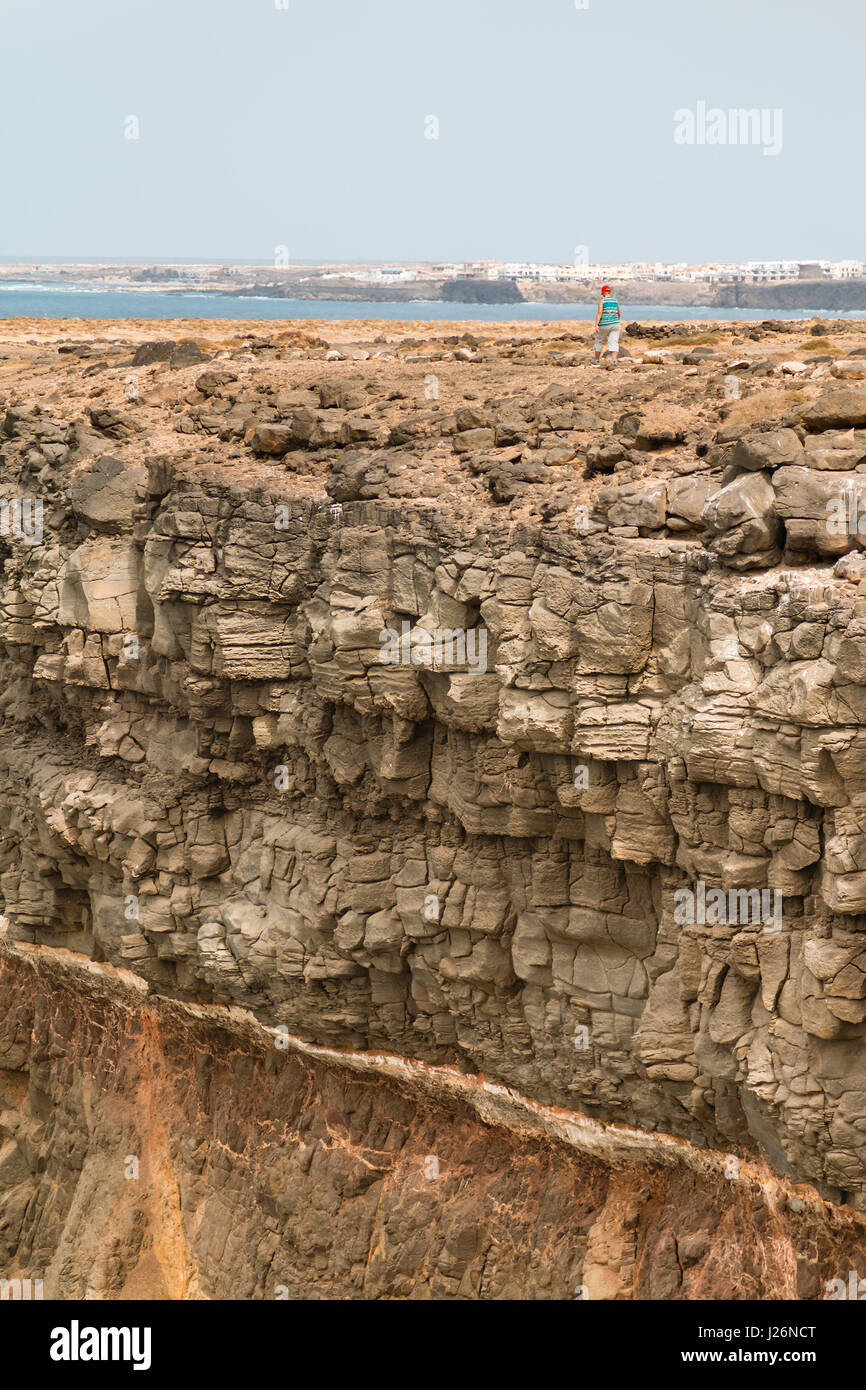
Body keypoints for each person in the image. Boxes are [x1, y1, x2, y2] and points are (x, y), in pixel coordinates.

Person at [593, 284, 621, 365]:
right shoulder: (615, 300)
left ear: (603, 292)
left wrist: (596, 324)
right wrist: (616, 320)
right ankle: (614, 360)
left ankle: (597, 359)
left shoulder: (602, 301)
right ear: (609, 292)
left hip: (604, 324)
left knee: (599, 340)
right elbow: (618, 313)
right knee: (614, 342)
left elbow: (599, 313)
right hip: (615, 324)